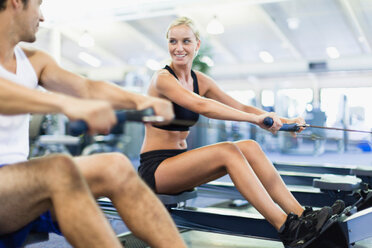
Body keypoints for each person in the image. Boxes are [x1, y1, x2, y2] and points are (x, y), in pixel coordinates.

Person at [138, 16, 344, 247]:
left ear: (197, 44)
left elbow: (242, 107)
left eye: (186, 41)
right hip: (157, 170)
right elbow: (201, 106)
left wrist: (285, 121)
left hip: (181, 164)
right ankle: (287, 228)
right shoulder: (163, 79)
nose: (179, 48)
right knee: (227, 151)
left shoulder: (200, 80)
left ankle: (303, 217)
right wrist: (255, 120)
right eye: (173, 41)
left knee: (250, 147)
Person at [0, 0, 187, 247]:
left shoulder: (35, 62)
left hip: (19, 184)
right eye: (38, 4)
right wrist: (65, 104)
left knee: (115, 165)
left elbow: (87, 87)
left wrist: (139, 100)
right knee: (59, 168)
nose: (42, 17)